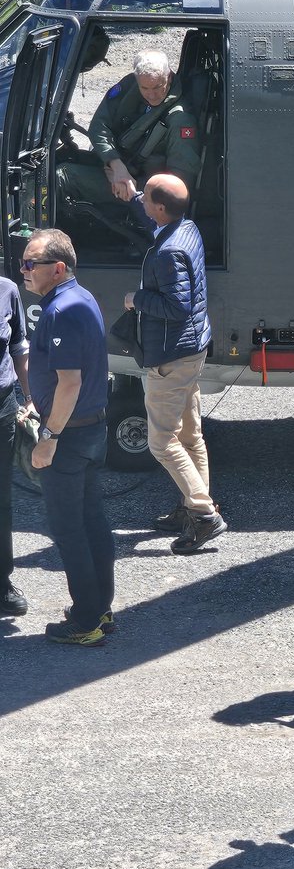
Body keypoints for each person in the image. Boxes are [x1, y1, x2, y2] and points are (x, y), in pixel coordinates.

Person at [20, 229, 115, 646]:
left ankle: (86, 623)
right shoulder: (82, 297)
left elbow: (69, 383)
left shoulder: (61, 310)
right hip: (91, 430)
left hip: (70, 436)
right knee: (92, 520)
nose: (23, 271)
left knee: (69, 528)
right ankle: (99, 608)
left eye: (30, 264)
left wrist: (49, 435)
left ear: (57, 268)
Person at [124, 174, 224, 555]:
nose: (145, 205)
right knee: (190, 436)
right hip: (193, 349)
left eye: (147, 199)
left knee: (162, 442)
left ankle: (203, 514)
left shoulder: (167, 253)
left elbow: (176, 307)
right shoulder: (187, 227)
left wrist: (137, 299)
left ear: (161, 207)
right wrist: (132, 195)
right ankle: (193, 504)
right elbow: (152, 215)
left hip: (171, 356)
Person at [57, 50, 201, 213]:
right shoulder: (130, 86)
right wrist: (116, 165)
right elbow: (98, 126)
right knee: (59, 158)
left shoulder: (180, 120)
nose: (151, 95)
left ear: (169, 77)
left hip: (143, 188)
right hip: (120, 167)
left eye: (157, 87)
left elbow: (179, 184)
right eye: (145, 88)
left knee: (62, 177)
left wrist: (135, 188)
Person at [0, 273, 31, 619]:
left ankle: (2, 583)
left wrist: (32, 395)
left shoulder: (7, 290)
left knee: (1, 500)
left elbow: (19, 347)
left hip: (2, 407)